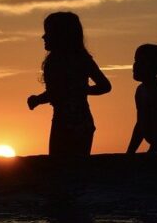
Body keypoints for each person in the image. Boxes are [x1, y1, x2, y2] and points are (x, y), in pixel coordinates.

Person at [27, 12, 111, 156]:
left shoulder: (81, 59)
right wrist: (39, 99)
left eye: (48, 32)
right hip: (64, 120)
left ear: (61, 35)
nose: (44, 37)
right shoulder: (54, 62)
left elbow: (105, 86)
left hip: (77, 123)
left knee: (65, 168)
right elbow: (57, 92)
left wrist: (83, 90)